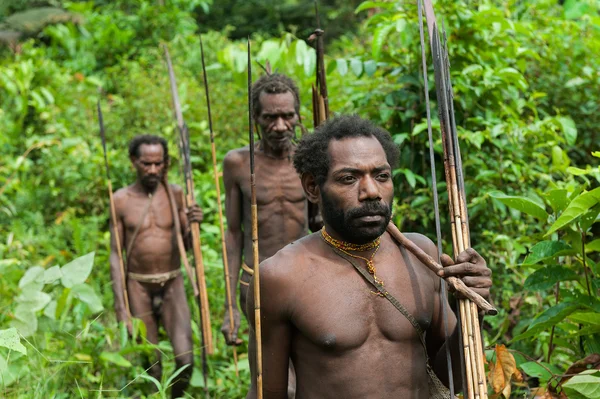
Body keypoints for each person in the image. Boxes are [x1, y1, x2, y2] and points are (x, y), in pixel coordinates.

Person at [246, 115, 493, 399]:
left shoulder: (421, 256)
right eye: (349, 178)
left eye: (382, 176)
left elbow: (451, 380)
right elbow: (267, 393)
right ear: (313, 187)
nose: (372, 192)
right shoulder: (281, 277)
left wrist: (471, 311)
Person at [221, 73, 320, 343]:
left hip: (304, 279)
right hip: (256, 280)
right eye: (269, 117)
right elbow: (233, 233)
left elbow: (319, 225)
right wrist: (230, 305)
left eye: (288, 116)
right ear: (256, 117)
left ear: (298, 116)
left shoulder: (308, 161)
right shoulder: (238, 164)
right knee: (270, 374)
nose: (279, 126)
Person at [109, 134, 203, 398]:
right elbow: (116, 255)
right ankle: (154, 393)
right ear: (133, 162)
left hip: (172, 281)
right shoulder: (120, 200)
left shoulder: (175, 194)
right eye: (146, 164)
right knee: (152, 364)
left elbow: (186, 246)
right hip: (138, 285)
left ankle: (173, 396)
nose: (152, 170)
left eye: (158, 163)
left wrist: (194, 222)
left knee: (186, 360)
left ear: (166, 163)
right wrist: (121, 307)